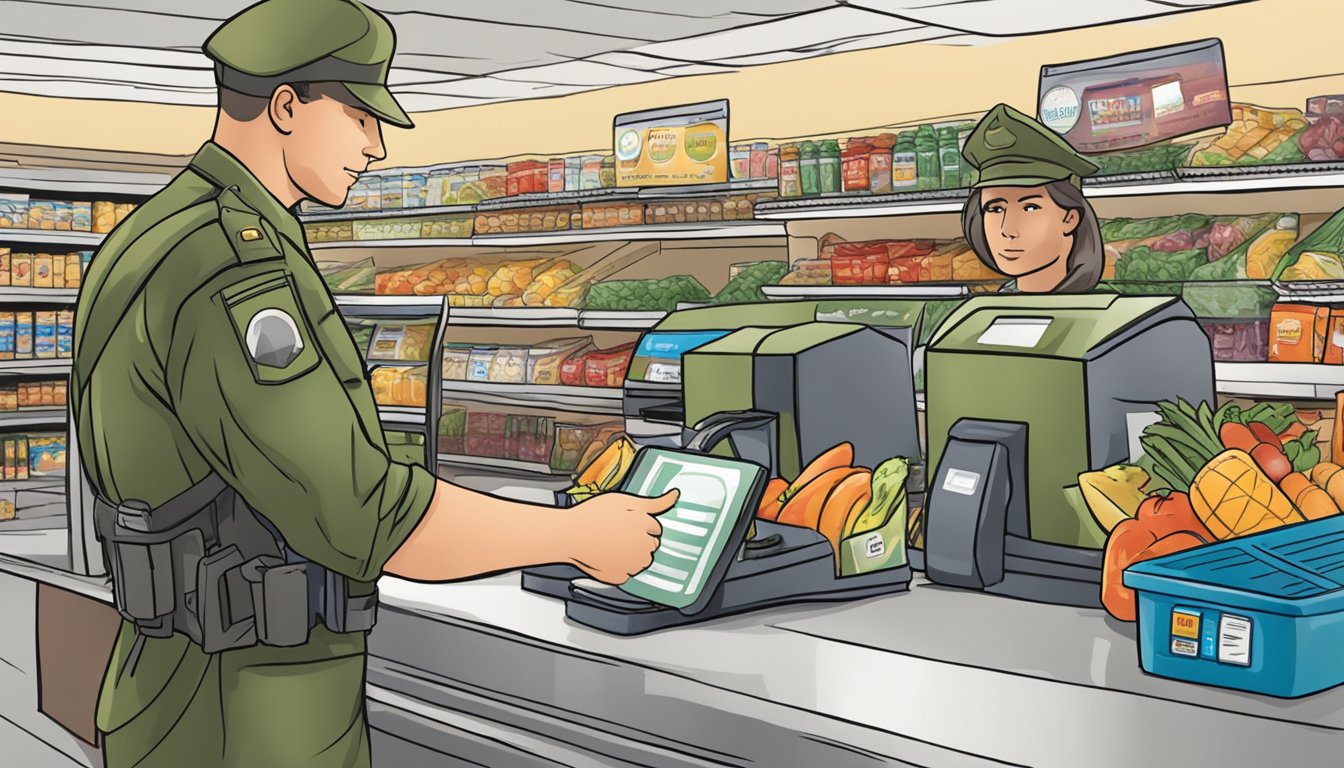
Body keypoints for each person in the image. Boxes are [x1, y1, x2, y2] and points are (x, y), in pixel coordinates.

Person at [69, 2, 675, 766]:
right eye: (359, 117)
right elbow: (363, 512)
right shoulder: (233, 265)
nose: (376, 147)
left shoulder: (158, 232)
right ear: (287, 106)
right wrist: (577, 535)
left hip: (176, 687)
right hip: (250, 709)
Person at [960, 103, 1105, 294]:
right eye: (995, 209)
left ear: (1069, 219)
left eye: (1029, 208)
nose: (1008, 230)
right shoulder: (996, 304)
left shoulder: (1103, 309)